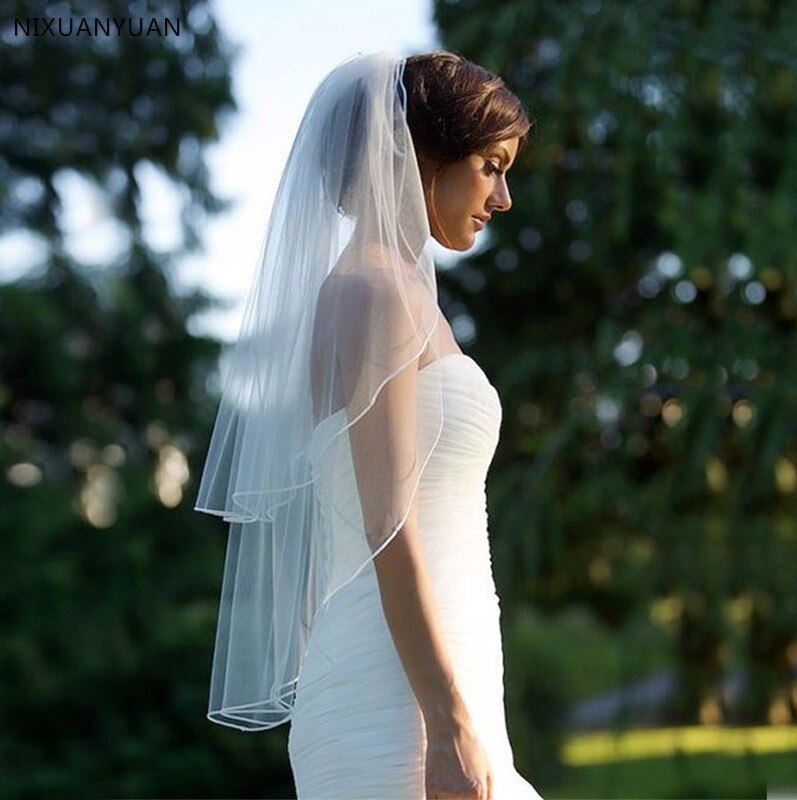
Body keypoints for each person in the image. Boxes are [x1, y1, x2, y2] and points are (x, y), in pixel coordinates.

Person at [194, 49, 543, 799]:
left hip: (441, 676)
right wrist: (448, 724)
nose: (504, 196)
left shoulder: (404, 294)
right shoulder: (374, 293)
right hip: (400, 701)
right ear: (421, 155)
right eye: (491, 165)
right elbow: (391, 531)